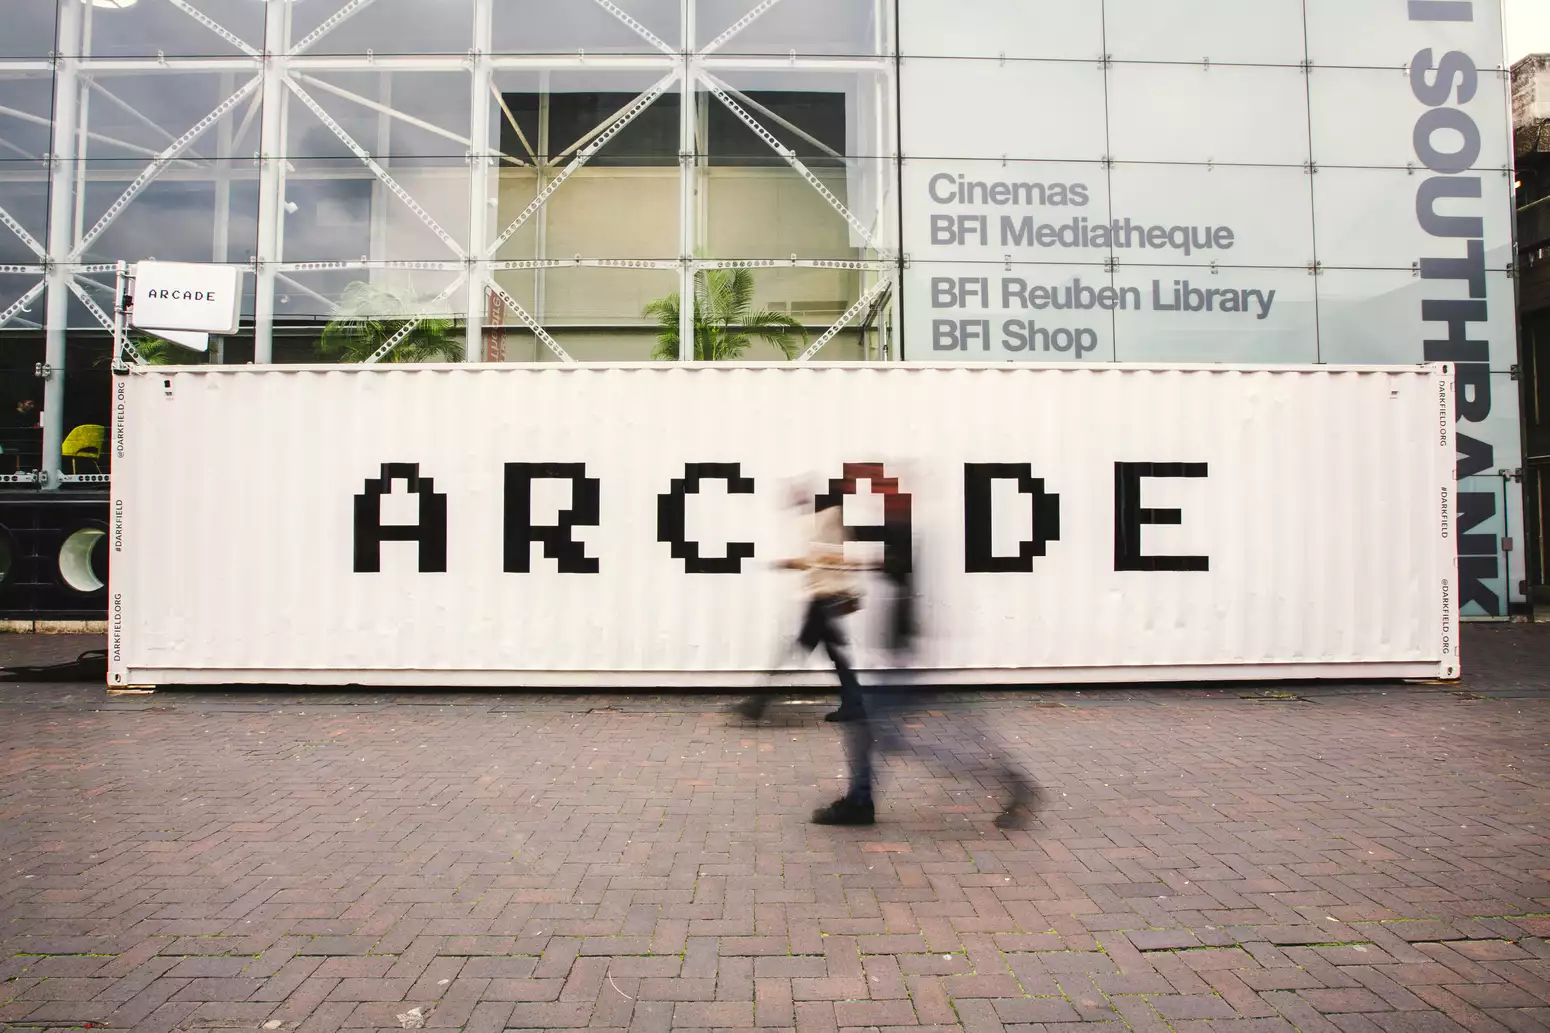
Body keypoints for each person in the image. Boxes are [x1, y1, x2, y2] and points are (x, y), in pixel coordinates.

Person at [811, 495, 1037, 829]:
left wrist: (843, 560)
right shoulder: (904, 529)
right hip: (901, 656)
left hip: (902, 657)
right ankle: (861, 800)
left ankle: (860, 802)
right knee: (876, 730)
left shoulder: (905, 529)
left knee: (898, 737)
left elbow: (892, 564)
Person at [732, 484, 866, 723]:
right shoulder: (819, 523)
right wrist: (789, 564)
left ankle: (758, 702)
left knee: (799, 651)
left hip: (827, 597)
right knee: (828, 653)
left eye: (800, 496)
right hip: (823, 598)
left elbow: (837, 557)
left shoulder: (831, 519)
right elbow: (816, 559)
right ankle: (853, 702)